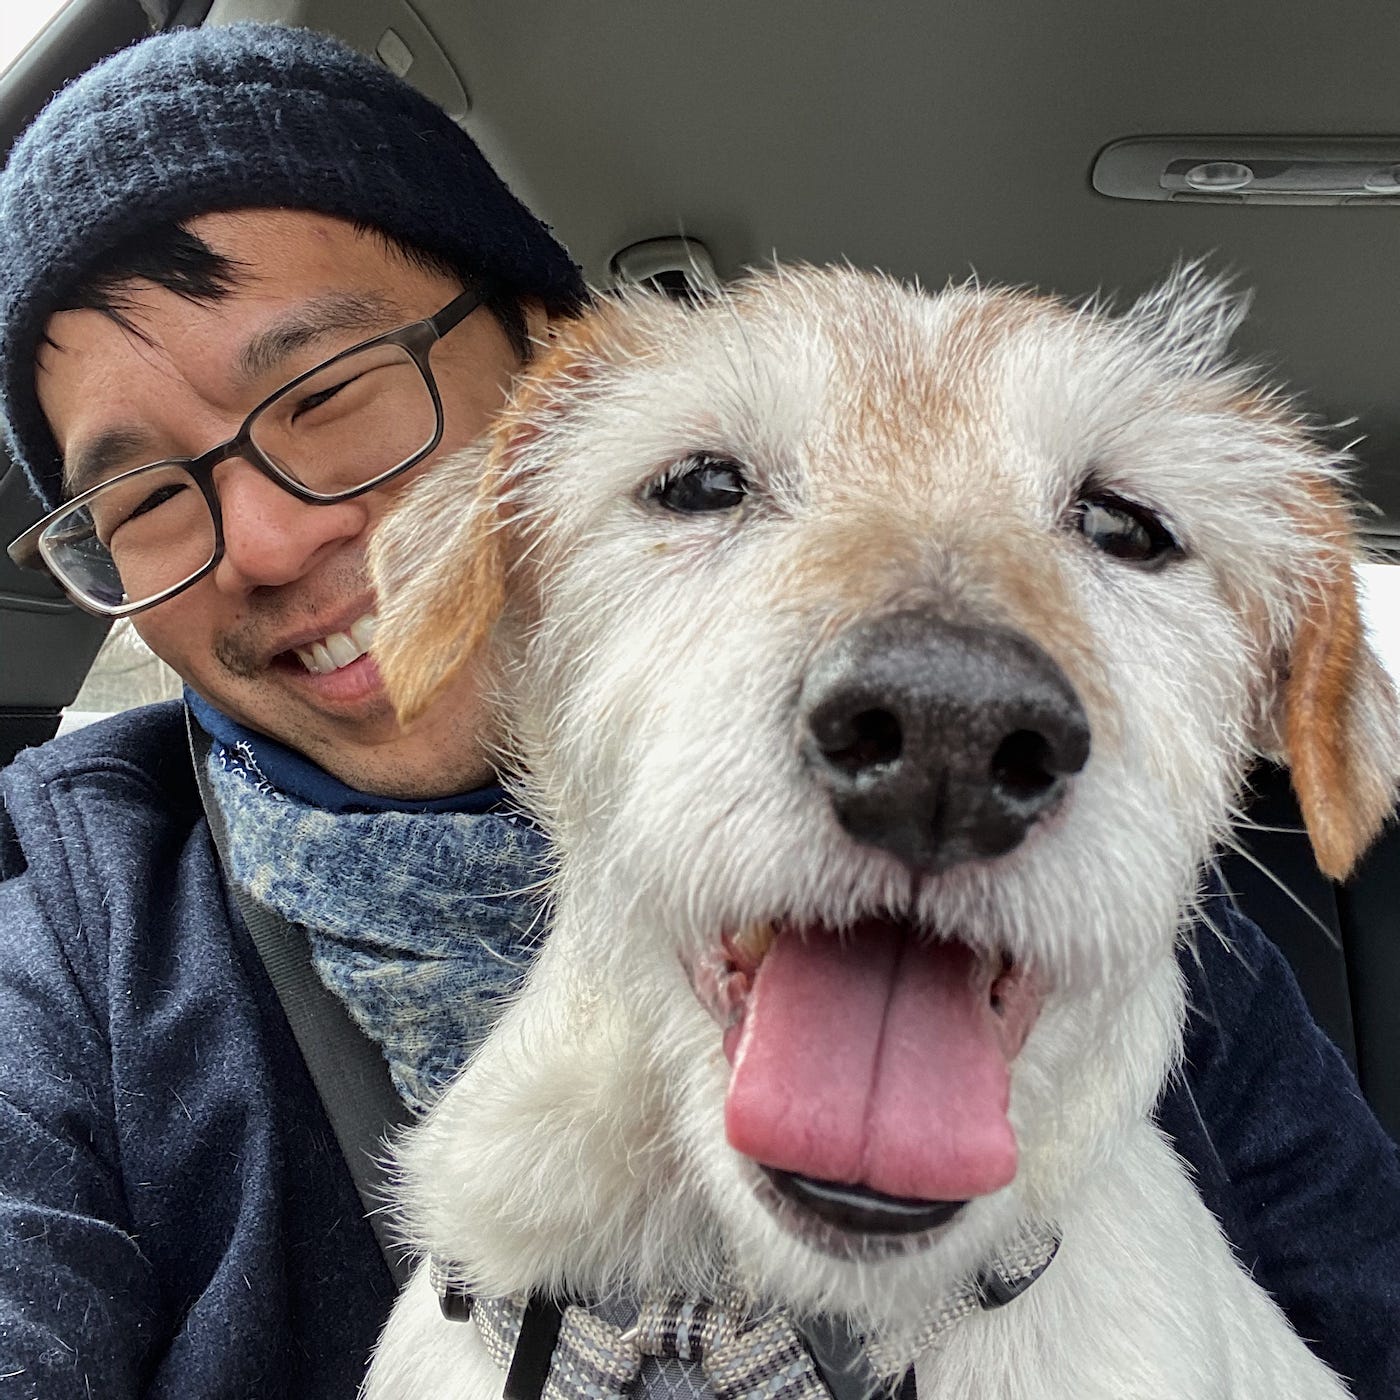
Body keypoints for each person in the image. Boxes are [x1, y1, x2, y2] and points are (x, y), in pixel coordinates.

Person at [0, 21, 1396, 1400]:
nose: (259, 540)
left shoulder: (1205, 993)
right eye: (707, 488)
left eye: (333, 393)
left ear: (529, 376)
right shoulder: (69, 930)